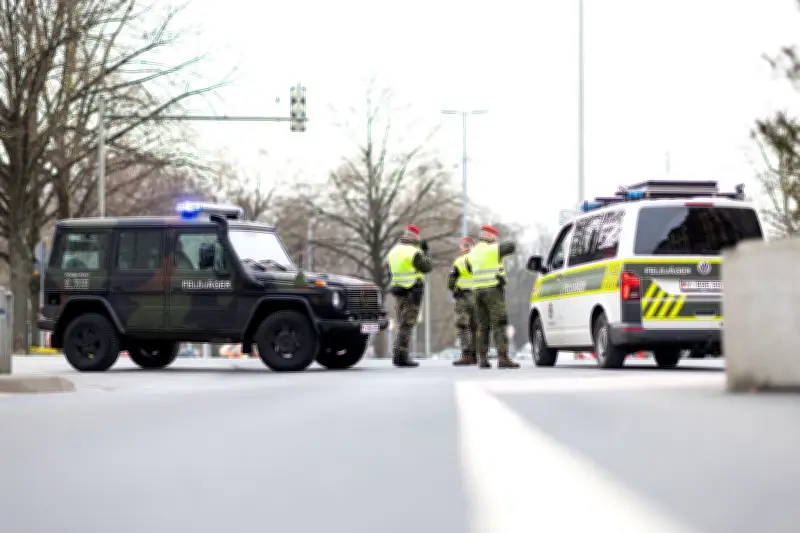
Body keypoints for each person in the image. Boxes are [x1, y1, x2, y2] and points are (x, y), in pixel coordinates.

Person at [465, 225, 520, 369]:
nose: (496, 239)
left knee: (482, 326)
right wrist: (497, 245)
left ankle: (482, 359)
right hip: (493, 290)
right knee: (499, 323)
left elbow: (469, 268)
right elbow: (511, 246)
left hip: (477, 292)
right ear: (489, 235)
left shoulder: (472, 253)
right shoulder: (493, 249)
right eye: (495, 236)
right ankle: (503, 358)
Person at [386, 224, 433, 367]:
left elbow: (389, 272)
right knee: (407, 324)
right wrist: (425, 252)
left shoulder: (393, 251)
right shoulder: (414, 252)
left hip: (398, 290)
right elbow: (427, 267)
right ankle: (402, 356)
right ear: (415, 237)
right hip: (412, 290)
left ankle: (397, 355)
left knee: (402, 323)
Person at [448, 236, 477, 366]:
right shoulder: (480, 260)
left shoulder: (459, 261)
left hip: (463, 297)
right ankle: (476, 355)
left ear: (462, 248)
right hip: (479, 297)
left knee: (462, 325)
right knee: (476, 326)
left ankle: (466, 355)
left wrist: (454, 289)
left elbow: (450, 282)